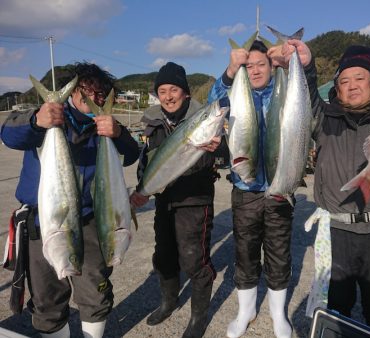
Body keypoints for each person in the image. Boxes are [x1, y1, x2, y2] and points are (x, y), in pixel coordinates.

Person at [268, 41, 370, 337]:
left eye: (360, 79)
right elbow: (304, 95)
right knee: (336, 305)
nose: (352, 86)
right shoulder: (324, 119)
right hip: (337, 231)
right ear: (336, 87)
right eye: (344, 81)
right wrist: (306, 65)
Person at [1, 62, 140, 338]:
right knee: (47, 299)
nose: (96, 99)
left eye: (102, 95)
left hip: (90, 221)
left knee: (95, 292)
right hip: (44, 221)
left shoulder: (105, 128)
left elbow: (132, 154)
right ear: (74, 91)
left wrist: (119, 133)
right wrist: (37, 121)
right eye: (89, 91)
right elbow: (8, 134)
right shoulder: (46, 119)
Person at [207, 39, 294, 338]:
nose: (255, 71)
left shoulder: (284, 91)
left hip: (279, 187)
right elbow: (213, 101)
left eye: (261, 65)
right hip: (245, 188)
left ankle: (277, 313)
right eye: (249, 66)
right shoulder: (235, 92)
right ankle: (246, 310)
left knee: (279, 252)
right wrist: (232, 70)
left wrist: (290, 64)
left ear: (272, 66)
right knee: (245, 251)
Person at [130, 62, 221, 338]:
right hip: (163, 201)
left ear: (186, 93)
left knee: (194, 260)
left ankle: (198, 317)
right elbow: (147, 161)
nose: (168, 96)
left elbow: (224, 155)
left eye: (174, 89)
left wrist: (216, 150)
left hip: (195, 200)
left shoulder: (203, 120)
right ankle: (169, 301)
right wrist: (141, 188)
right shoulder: (153, 123)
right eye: (162, 90)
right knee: (164, 256)